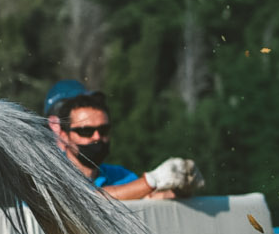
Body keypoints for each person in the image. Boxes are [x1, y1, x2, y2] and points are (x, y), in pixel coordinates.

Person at [44, 81, 196, 200]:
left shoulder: (120, 175)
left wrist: (180, 186)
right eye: (85, 131)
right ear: (59, 128)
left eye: (103, 130)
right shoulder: (45, 173)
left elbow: (149, 198)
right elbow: (84, 199)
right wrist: (152, 180)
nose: (97, 137)